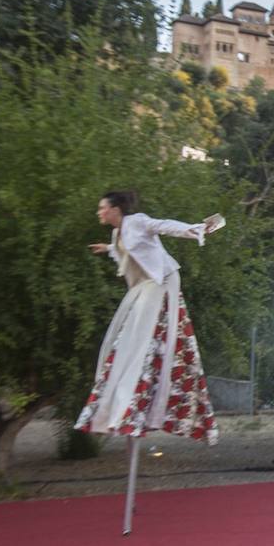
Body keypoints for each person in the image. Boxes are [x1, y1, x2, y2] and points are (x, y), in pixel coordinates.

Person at [75, 191, 222, 446]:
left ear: (115, 209)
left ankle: (135, 386)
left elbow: (164, 226)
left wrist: (196, 229)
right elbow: (130, 250)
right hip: (145, 286)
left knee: (140, 335)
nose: (99, 212)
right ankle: (123, 398)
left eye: (102, 208)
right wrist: (109, 248)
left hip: (161, 281)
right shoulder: (117, 233)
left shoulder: (138, 221)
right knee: (129, 335)